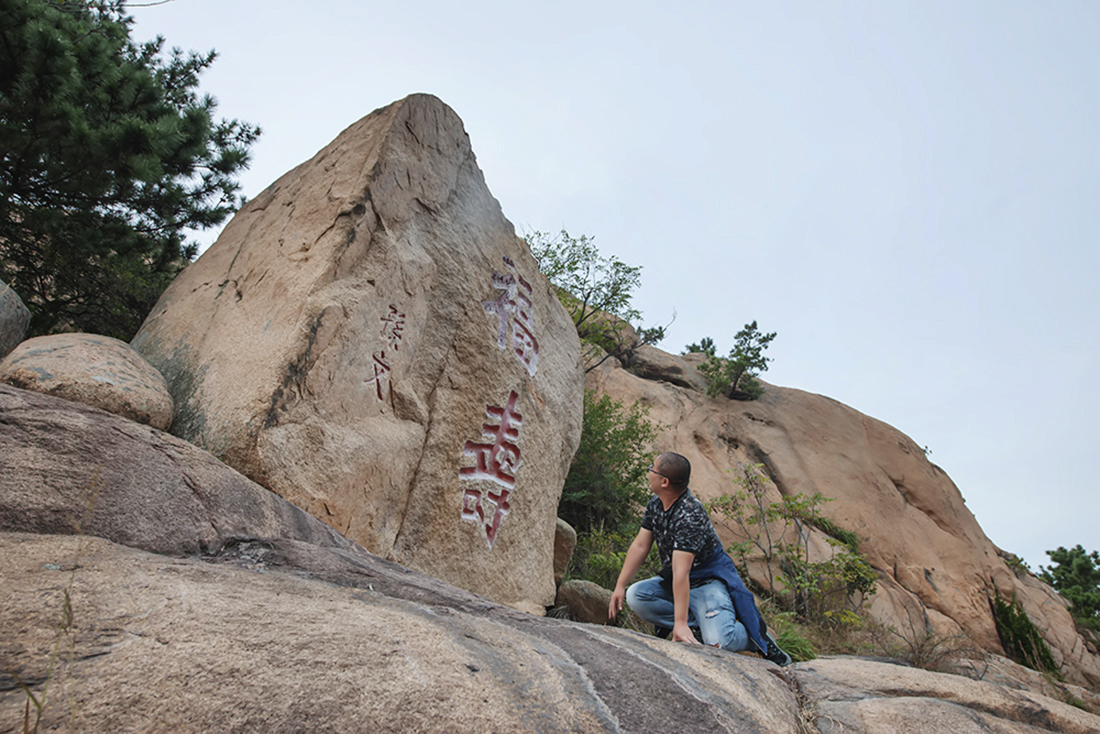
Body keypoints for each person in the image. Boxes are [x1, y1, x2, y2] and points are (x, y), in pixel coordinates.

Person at [608, 451, 791, 665]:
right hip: (679, 583)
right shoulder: (656, 503)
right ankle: (699, 625)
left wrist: (679, 623)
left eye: (652, 469)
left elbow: (681, 570)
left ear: (664, 481)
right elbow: (640, 545)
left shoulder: (689, 515)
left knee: (721, 644)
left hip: (707, 583)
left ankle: (755, 637)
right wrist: (620, 585)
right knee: (636, 596)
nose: (648, 472)